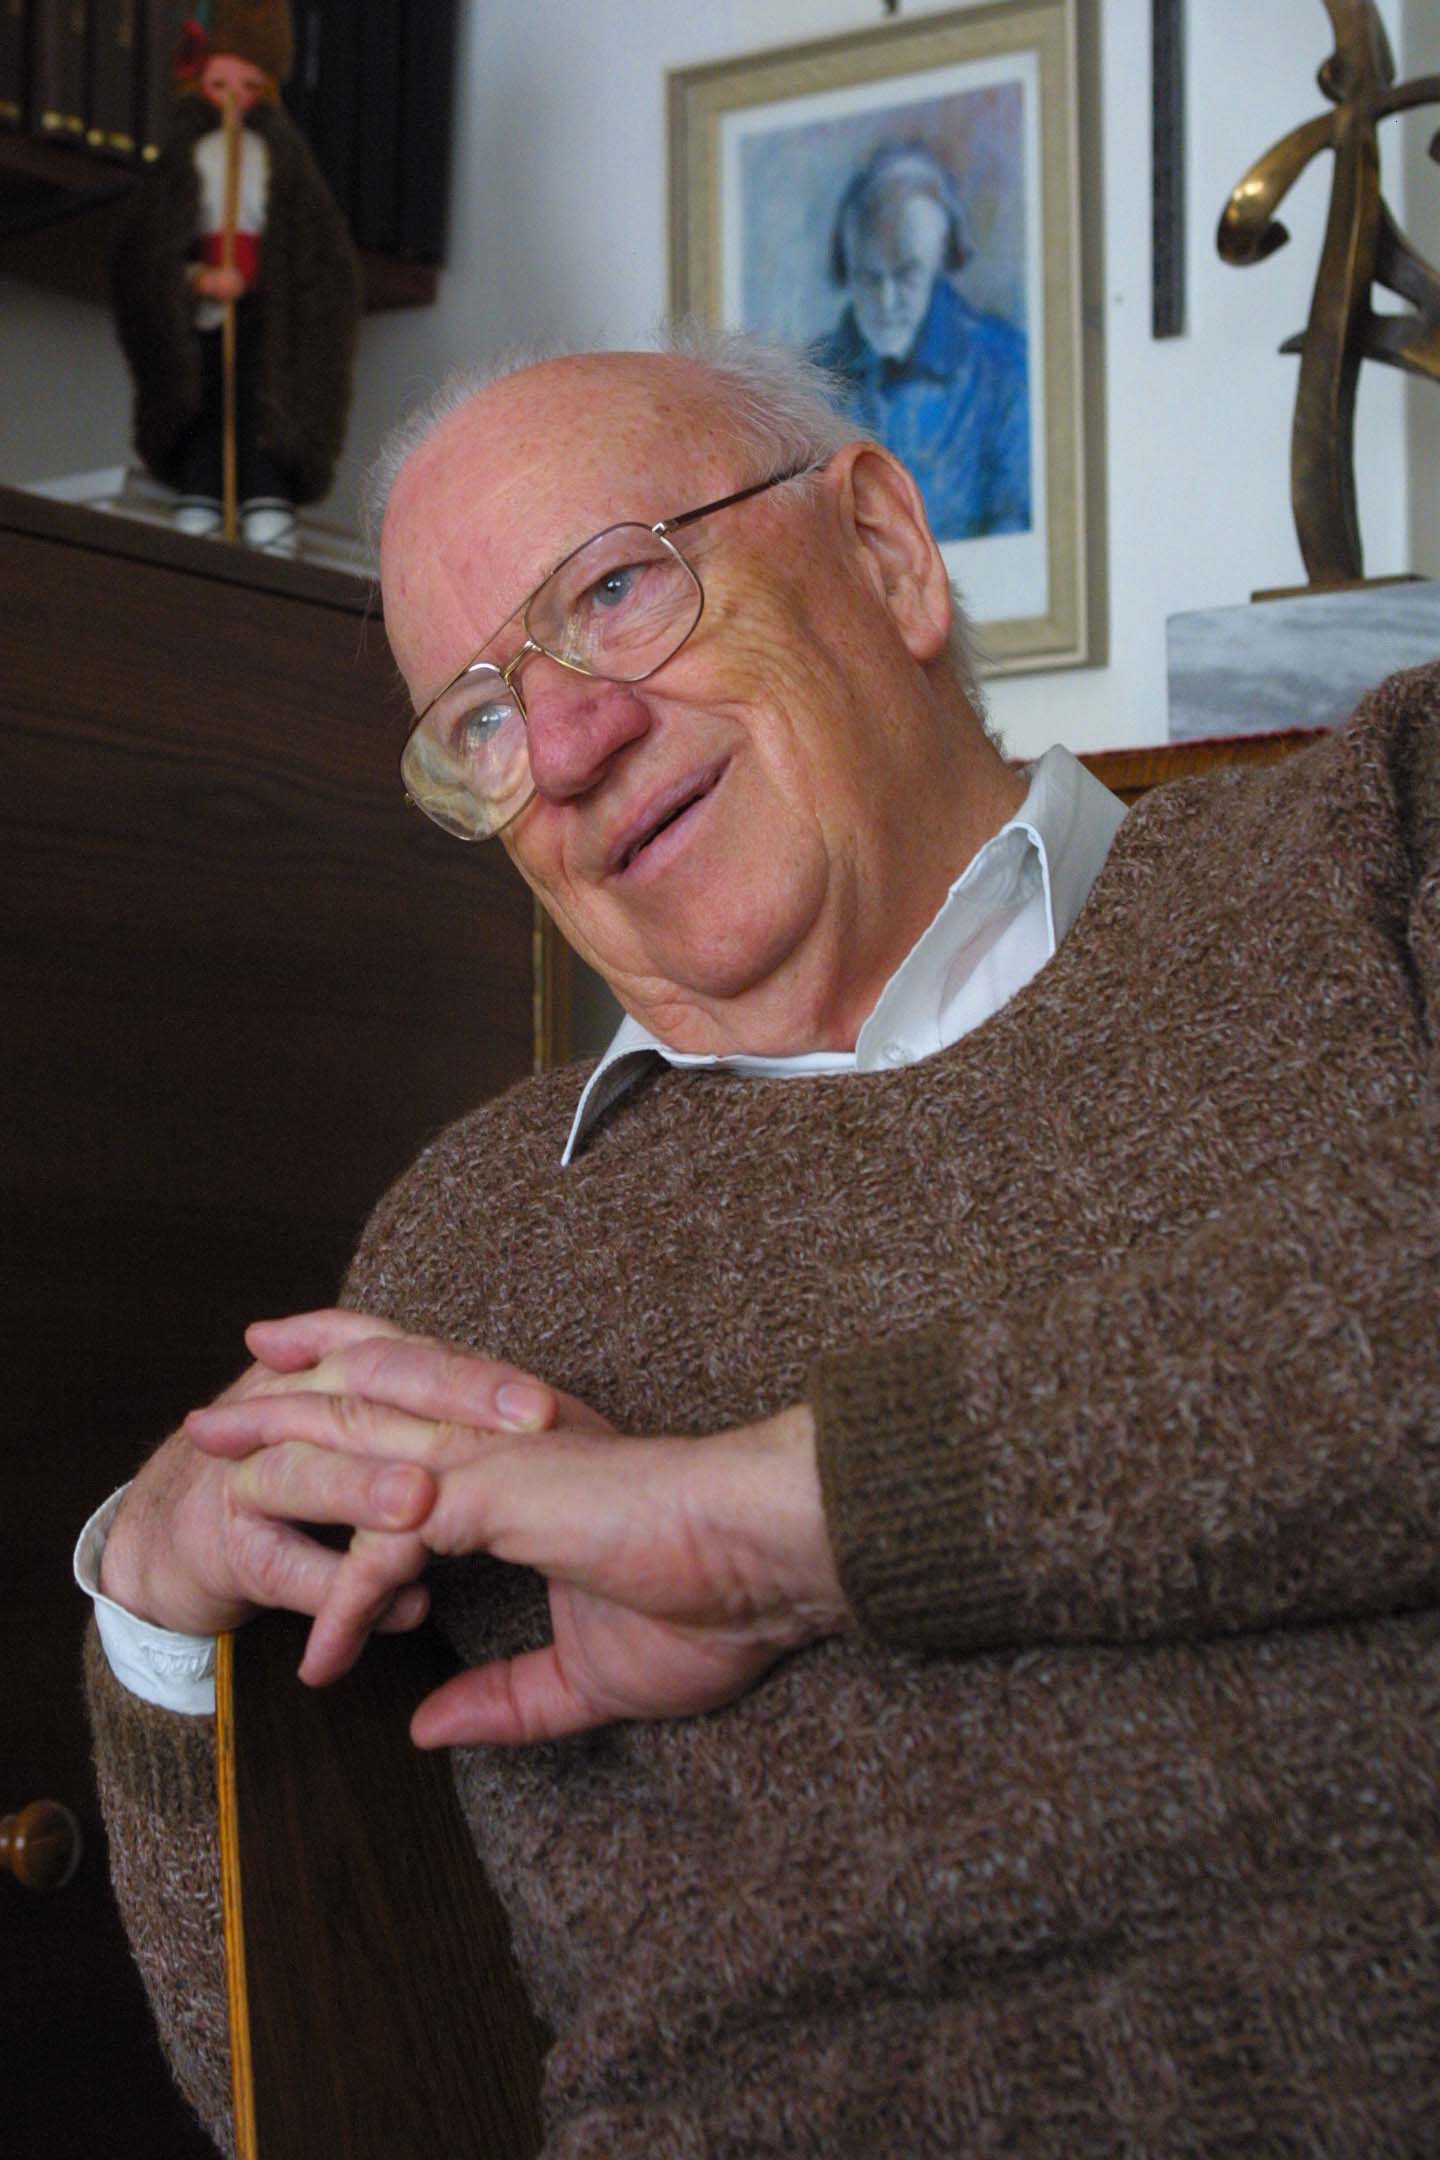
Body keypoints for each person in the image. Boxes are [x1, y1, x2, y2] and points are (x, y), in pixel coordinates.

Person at [80, 331, 1439, 2157]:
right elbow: (330, 2077)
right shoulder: (463, 1249)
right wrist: (156, 1611)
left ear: (883, 549)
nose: (569, 747)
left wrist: (768, 1522)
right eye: (482, 720)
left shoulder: (1374, 840)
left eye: (614, 591)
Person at [110, 0, 359, 554]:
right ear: (199, 80)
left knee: (260, 402)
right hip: (203, 309)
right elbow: (147, 248)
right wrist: (196, 278)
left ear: (264, 89)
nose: (231, 96)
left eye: (247, 85)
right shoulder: (189, 155)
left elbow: (314, 250)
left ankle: (265, 496)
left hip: (263, 312)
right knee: (205, 401)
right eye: (220, 82)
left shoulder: (277, 158)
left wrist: (261, 279)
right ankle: (201, 492)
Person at [812, 141, 1030, 541]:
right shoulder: (811, 381)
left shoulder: (1007, 370)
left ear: (940, 264)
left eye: (906, 275)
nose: (886, 302)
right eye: (868, 277)